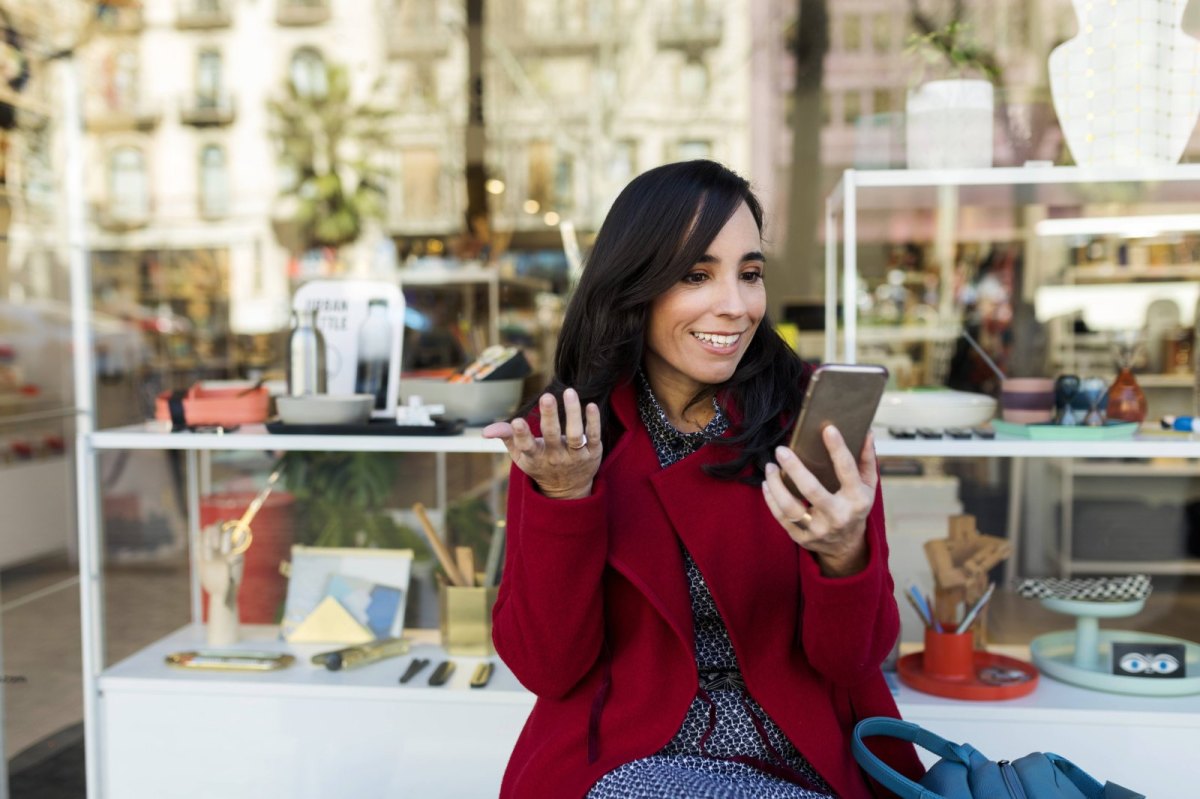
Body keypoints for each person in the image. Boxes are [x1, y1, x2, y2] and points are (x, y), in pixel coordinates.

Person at [483, 160, 923, 799]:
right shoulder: (571, 436)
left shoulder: (804, 415)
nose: (736, 306)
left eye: (749, 274)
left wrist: (843, 552)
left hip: (797, 751)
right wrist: (565, 500)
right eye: (697, 275)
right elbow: (548, 669)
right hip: (627, 755)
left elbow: (854, 662)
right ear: (635, 285)